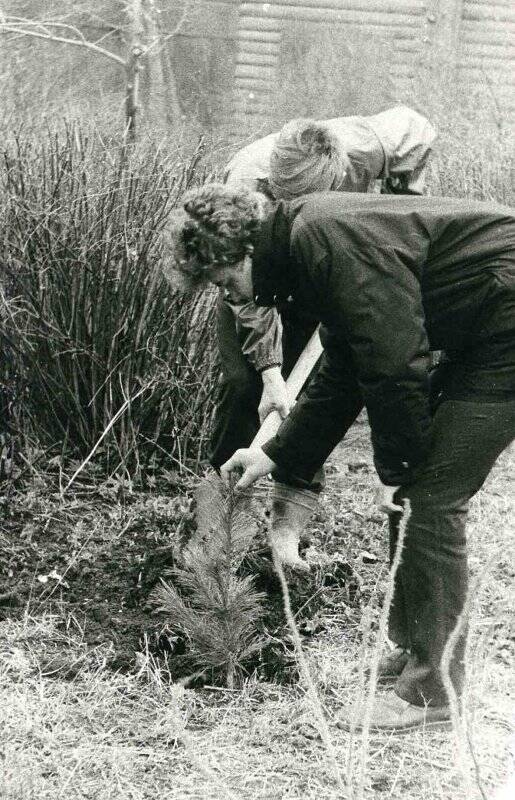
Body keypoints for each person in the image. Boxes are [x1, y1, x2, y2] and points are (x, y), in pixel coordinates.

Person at [167, 183, 515, 731]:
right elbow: (345, 369)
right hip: (489, 320)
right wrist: (276, 456)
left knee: (428, 496)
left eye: (228, 281)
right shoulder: (305, 246)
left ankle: (433, 693)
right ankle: (416, 649)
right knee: (413, 489)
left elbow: (395, 363)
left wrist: (396, 471)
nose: (234, 297)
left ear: (248, 252)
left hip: (505, 325)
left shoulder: (327, 241)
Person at [213, 107, 436, 567]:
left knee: (315, 395)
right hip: (252, 284)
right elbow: (245, 295)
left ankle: (286, 527)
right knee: (244, 387)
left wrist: (400, 194)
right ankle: (220, 518)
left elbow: (414, 128)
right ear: (276, 192)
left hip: (330, 267)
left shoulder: (365, 146)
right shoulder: (244, 185)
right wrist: (270, 371)